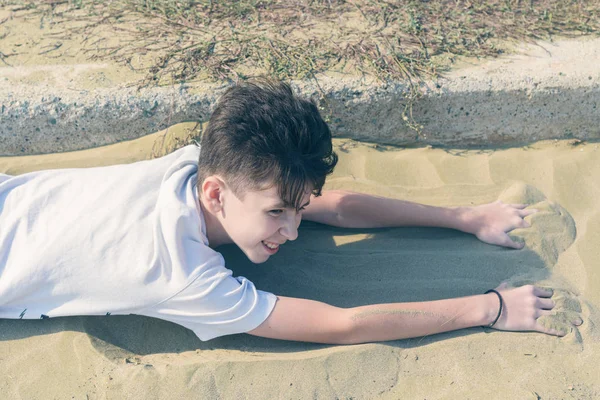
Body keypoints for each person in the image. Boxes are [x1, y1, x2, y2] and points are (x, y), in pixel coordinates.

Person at [0, 78, 582, 344]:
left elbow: (336, 208)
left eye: (295, 210)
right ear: (216, 195)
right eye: (278, 212)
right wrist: (490, 306)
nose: (294, 229)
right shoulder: (181, 276)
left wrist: (462, 217)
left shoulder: (191, 165)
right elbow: (341, 324)